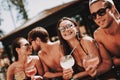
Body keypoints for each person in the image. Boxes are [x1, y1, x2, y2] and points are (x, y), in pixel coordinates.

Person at [89, 0, 120, 78]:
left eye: (101, 12)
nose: (98, 17)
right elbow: (107, 62)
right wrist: (95, 71)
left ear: (112, 9)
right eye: (94, 15)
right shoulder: (98, 35)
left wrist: (116, 61)